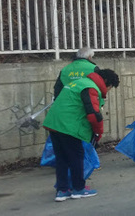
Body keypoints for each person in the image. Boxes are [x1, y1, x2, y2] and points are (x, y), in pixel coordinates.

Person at [43, 69, 120, 202]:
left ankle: (62, 190)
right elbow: (93, 114)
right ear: (106, 82)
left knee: (62, 158)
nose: (108, 90)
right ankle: (78, 189)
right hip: (69, 127)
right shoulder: (90, 87)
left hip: (54, 123)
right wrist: (98, 133)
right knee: (76, 157)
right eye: (110, 87)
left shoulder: (78, 83)